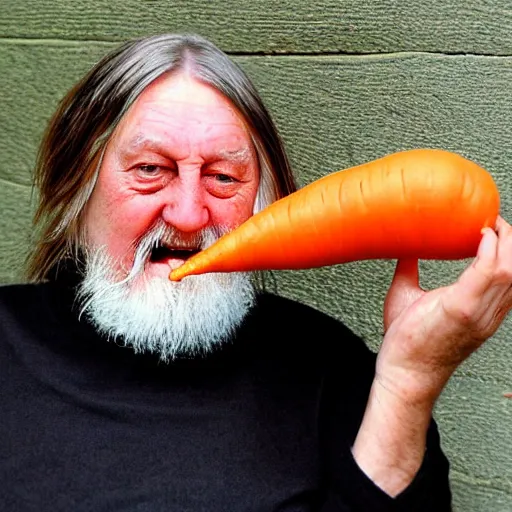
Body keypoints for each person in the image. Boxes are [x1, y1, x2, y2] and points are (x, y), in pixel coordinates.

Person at [1, 33, 510, 512]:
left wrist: (410, 381)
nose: (187, 214)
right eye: (150, 170)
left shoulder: (331, 369)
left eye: (224, 178)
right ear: (76, 187)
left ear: (262, 202)